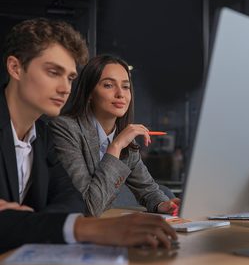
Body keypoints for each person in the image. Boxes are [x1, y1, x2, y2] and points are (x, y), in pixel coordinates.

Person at [0, 18, 177, 255]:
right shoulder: (60, 129)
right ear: (15, 68)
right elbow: (85, 209)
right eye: (53, 72)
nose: (65, 88)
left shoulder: (41, 136)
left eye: (70, 78)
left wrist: (25, 220)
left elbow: (73, 203)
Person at [50, 54, 181, 217]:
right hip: (70, 231)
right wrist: (116, 146)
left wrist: (163, 204)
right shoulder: (65, 128)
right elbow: (88, 208)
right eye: (108, 85)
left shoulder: (124, 136)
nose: (120, 94)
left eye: (125, 87)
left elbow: (148, 190)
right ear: (89, 93)